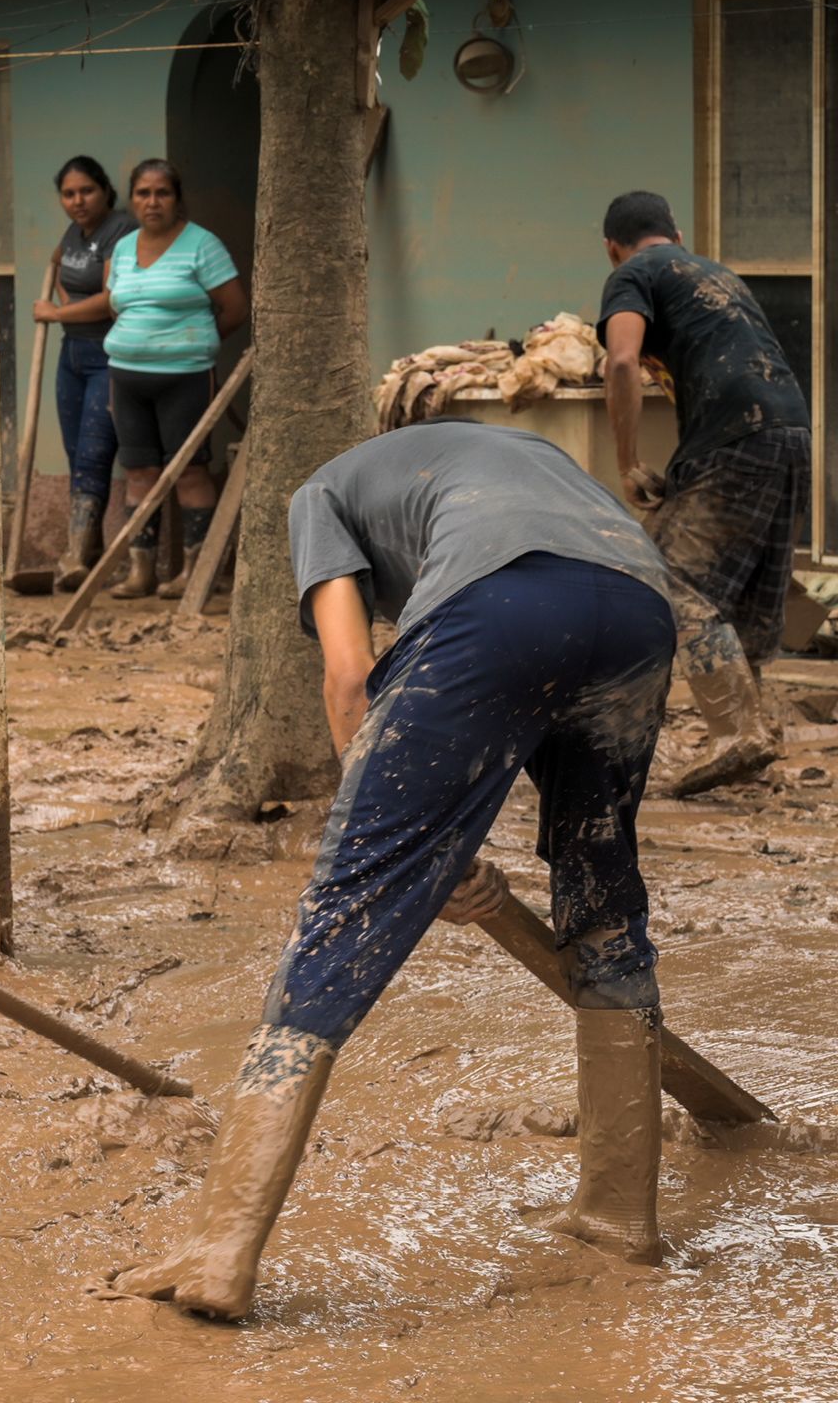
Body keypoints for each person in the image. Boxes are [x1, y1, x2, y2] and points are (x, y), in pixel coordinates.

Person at [108, 419, 678, 1321]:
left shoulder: (318, 494)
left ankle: (219, 1254)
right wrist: (450, 846)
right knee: (602, 886)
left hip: (502, 603)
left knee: (348, 900)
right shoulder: (512, 457)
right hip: (642, 612)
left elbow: (348, 675)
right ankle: (620, 1214)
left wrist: (404, 840)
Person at [596, 189, 812, 795]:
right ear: (678, 236)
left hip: (738, 438)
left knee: (663, 583)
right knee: (743, 602)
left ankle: (736, 732)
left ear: (612, 248)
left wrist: (627, 460)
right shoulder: (716, 275)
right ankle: (750, 751)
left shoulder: (632, 274)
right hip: (792, 433)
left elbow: (620, 361)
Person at [37, 157, 248, 601]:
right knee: (139, 472)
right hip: (127, 376)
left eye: (161, 193)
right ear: (131, 200)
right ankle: (141, 571)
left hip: (185, 377)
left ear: (176, 198)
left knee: (190, 471)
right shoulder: (125, 248)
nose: (152, 202)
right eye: (143, 194)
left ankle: (194, 571)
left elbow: (233, 309)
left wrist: (193, 342)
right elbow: (116, 304)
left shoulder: (201, 246)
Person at [32, 156, 136, 591]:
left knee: (95, 450)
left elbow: (111, 299)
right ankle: (87, 555)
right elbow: (59, 266)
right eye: (69, 194)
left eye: (86, 191)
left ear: (104, 190)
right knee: (77, 451)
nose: (77, 201)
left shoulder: (121, 231)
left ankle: (75, 554)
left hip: (107, 353)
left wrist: (60, 313)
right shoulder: (73, 234)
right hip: (70, 354)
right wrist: (66, 308)